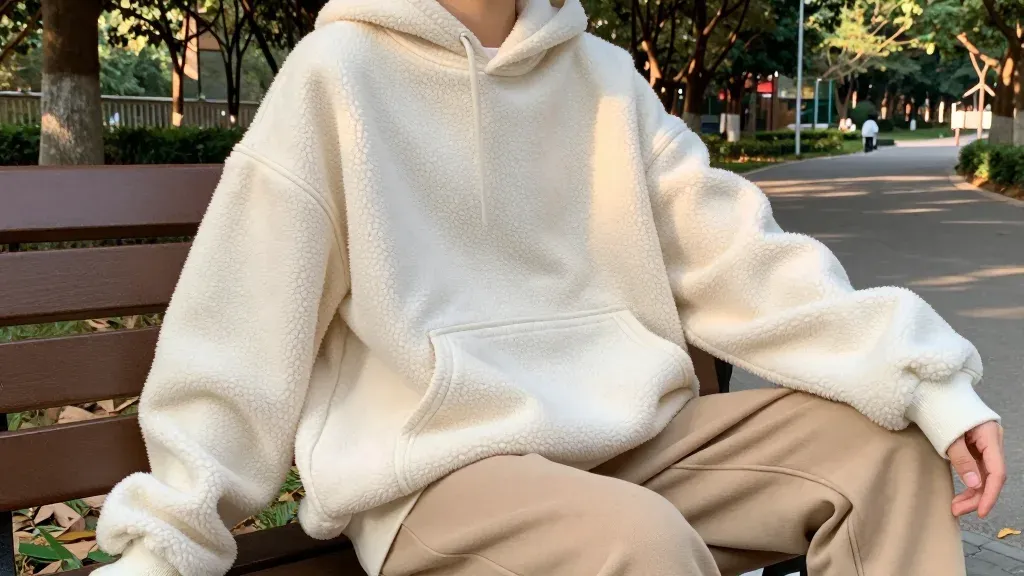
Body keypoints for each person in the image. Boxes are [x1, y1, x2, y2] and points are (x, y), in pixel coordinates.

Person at [94, 1, 1005, 575]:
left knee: (882, 456)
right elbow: (246, 318)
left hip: (633, 445)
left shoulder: (605, 79)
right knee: (635, 543)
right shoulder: (336, 77)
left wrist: (922, 377)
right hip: (440, 477)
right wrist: (171, 538)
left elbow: (738, 256)